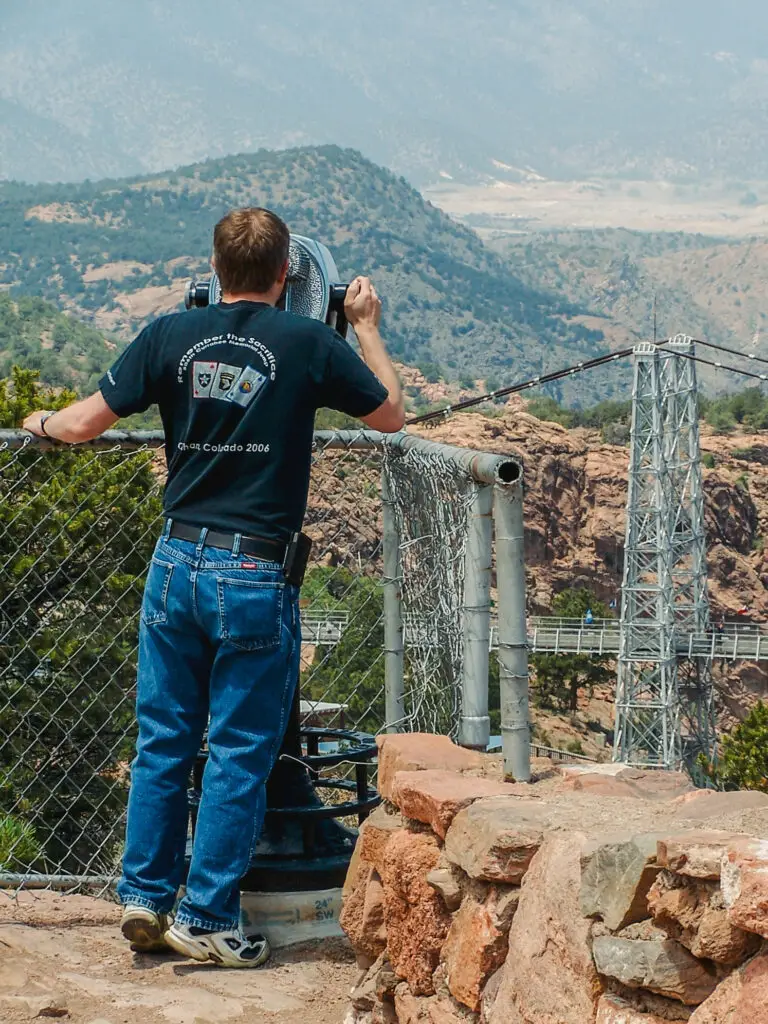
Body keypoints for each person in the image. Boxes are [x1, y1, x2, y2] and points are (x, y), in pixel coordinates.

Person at [22, 207, 404, 968]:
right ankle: (205, 917)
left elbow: (81, 424)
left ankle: (143, 897)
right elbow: (391, 415)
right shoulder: (308, 341)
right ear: (288, 271)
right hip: (254, 570)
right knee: (238, 751)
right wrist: (364, 324)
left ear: (216, 266)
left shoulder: (168, 334)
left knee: (162, 740)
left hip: (174, 561)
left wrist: (36, 420)